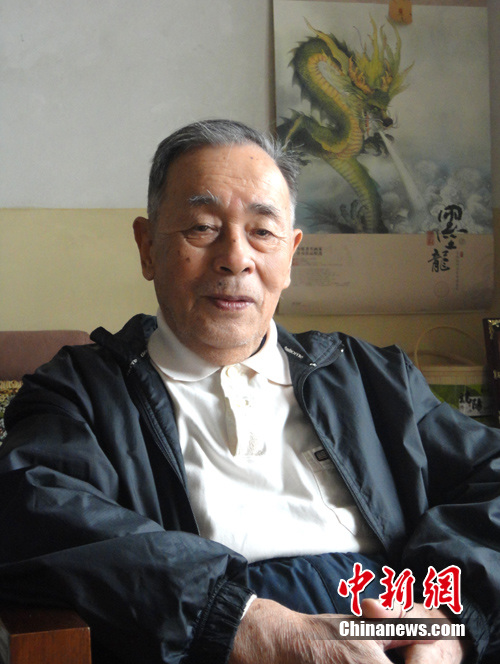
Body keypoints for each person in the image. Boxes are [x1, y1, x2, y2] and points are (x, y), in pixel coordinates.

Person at [0, 119, 498, 664]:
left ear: (291, 254)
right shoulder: (80, 392)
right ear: (147, 247)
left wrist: (448, 620)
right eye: (202, 227)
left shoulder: (371, 377)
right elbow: (36, 511)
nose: (236, 257)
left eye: (263, 232)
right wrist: (240, 622)